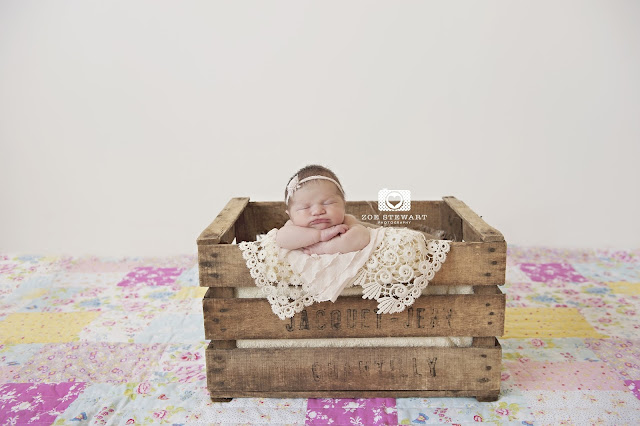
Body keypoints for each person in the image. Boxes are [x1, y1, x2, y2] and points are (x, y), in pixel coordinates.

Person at [275, 165, 371, 255]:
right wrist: (320, 235)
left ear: (343, 205)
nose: (317, 211)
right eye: (305, 207)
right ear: (290, 215)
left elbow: (362, 237)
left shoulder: (346, 222)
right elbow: (281, 239)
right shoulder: (292, 227)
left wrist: (323, 248)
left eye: (328, 203)